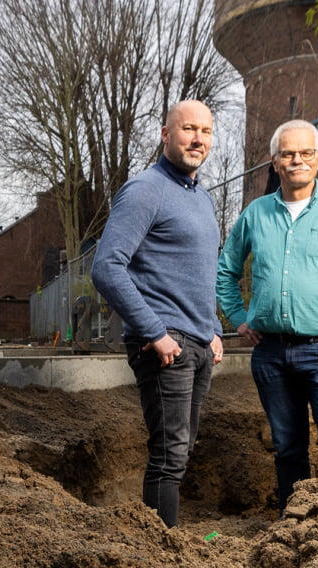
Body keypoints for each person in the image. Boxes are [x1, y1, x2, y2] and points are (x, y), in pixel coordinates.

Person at [216, 119, 318, 511]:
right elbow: (225, 271)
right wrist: (239, 317)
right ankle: (293, 526)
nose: (297, 161)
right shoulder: (256, 214)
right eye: (287, 154)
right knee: (287, 448)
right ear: (274, 162)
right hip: (271, 355)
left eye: (306, 153)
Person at [91, 100, 225, 528]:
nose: (198, 139)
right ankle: (161, 553)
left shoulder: (202, 199)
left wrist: (213, 328)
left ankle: (164, 544)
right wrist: (154, 331)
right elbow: (107, 267)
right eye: (188, 129)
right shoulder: (145, 190)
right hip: (165, 343)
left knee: (180, 451)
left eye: (205, 131)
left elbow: (201, 271)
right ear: (166, 134)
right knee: (168, 455)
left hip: (198, 343)